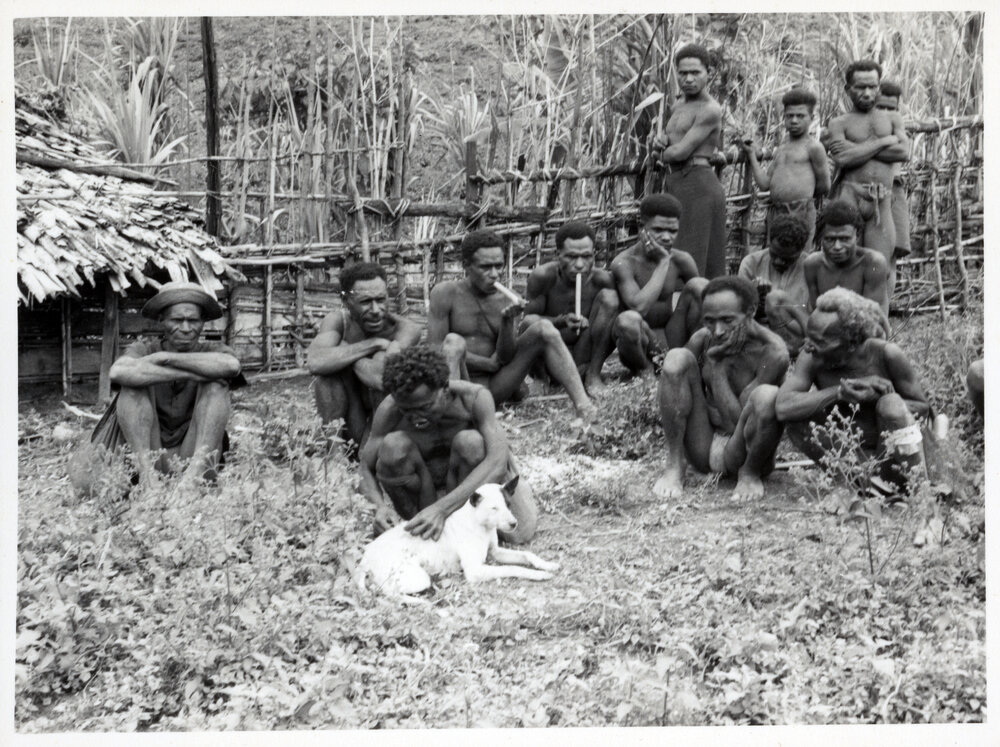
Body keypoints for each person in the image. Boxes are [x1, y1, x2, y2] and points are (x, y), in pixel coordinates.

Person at [359, 344, 538, 544]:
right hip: (425, 497)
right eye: (406, 411)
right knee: (393, 446)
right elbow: (366, 466)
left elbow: (497, 462)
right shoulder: (389, 409)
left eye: (424, 407)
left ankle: (461, 525)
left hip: (471, 490)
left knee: (470, 442)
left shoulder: (474, 398)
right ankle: (425, 527)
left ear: (444, 389)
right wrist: (379, 507)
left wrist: (441, 509)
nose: (415, 417)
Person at [775, 287, 930, 492]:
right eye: (808, 336)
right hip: (848, 455)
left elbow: (922, 408)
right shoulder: (811, 356)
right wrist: (838, 392)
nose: (808, 346)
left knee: (890, 404)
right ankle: (853, 482)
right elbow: (783, 407)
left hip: (893, 453)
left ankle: (907, 485)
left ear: (851, 343)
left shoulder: (886, 354)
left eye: (820, 341)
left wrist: (878, 400)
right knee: (797, 419)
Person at [429, 229, 596, 420]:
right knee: (453, 341)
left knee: (544, 329)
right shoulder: (445, 293)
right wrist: (486, 364)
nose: (494, 274)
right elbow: (435, 349)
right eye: (485, 267)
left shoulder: (508, 299)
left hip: (496, 386)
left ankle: (584, 406)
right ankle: (451, 412)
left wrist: (507, 321)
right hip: (460, 385)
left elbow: (506, 357)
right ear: (466, 265)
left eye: (498, 266)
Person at [653, 276, 788, 501]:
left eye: (727, 320)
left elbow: (736, 422)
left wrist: (715, 365)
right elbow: (672, 383)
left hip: (743, 451)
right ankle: (675, 464)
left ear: (751, 311)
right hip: (703, 448)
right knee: (676, 358)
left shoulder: (772, 352)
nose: (717, 331)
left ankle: (750, 475)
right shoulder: (703, 338)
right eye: (709, 321)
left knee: (767, 396)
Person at [104, 281, 245, 487]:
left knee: (216, 386)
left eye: (193, 320)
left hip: (197, 456)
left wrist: (165, 359)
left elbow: (231, 366)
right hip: (150, 452)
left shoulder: (214, 351)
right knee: (131, 389)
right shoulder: (144, 349)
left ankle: (191, 483)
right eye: (177, 320)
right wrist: (194, 371)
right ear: (162, 319)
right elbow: (118, 371)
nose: (186, 328)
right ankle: (148, 481)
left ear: (203, 321)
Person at [308, 262, 422, 447]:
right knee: (326, 380)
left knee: (379, 361)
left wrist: (344, 352)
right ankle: (334, 455)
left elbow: (380, 378)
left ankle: (373, 454)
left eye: (381, 299)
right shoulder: (339, 321)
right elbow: (315, 362)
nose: (376, 310)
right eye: (365, 302)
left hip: (390, 427)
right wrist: (373, 343)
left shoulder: (405, 329)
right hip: (354, 419)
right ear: (346, 301)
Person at [825, 60, 909, 294]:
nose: (867, 92)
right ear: (847, 89)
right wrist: (883, 141)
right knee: (844, 264)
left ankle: (880, 325)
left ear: (879, 87)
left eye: (872, 86)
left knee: (880, 266)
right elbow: (842, 159)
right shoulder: (838, 122)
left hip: (882, 198)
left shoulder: (892, 119)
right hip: (850, 195)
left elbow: (903, 152)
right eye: (860, 87)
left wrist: (856, 148)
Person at [652, 43, 728, 278]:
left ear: (708, 73)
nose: (688, 79)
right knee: (675, 249)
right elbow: (670, 141)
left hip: (699, 184)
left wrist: (659, 154)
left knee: (694, 258)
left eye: (695, 72)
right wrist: (660, 142)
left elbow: (680, 152)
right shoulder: (678, 105)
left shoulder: (710, 109)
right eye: (683, 73)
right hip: (677, 182)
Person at [610, 194, 704, 377]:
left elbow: (705, 302)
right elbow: (639, 308)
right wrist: (663, 263)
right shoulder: (624, 263)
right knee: (628, 321)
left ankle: (691, 361)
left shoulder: (682, 260)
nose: (667, 237)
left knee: (699, 286)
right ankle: (645, 371)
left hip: (671, 337)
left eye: (673, 231)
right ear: (641, 226)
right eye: (658, 230)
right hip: (640, 342)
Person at [522, 221, 620, 395]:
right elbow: (527, 323)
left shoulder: (602, 280)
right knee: (530, 321)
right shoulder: (543, 277)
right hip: (550, 355)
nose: (580, 264)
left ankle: (593, 375)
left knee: (611, 299)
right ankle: (541, 378)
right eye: (572, 257)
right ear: (557, 254)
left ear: (594, 254)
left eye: (587, 256)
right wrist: (561, 321)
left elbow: (611, 325)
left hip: (584, 355)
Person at [739, 87, 830, 250]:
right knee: (775, 254)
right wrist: (752, 155)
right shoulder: (781, 149)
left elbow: (824, 185)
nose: (794, 120)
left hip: (801, 211)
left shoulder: (813, 147)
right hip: (777, 213)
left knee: (799, 255)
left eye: (800, 116)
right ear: (784, 118)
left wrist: (801, 198)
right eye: (789, 116)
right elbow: (765, 184)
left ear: (812, 118)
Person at [738, 212, 812, 355]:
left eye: (787, 259)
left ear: (801, 251)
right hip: (759, 336)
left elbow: (812, 319)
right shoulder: (751, 263)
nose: (778, 261)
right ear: (769, 242)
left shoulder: (810, 267)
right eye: (774, 254)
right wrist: (756, 299)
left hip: (798, 338)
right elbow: (740, 314)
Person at [804, 200, 890, 316]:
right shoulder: (813, 264)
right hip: (823, 328)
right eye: (830, 239)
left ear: (857, 235)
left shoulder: (873, 263)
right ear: (821, 238)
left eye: (845, 239)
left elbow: (872, 317)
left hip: (865, 327)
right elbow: (814, 311)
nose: (837, 247)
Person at [875, 80, 913, 289]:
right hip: (867, 193)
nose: (887, 113)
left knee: (890, 257)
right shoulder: (863, 128)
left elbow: (903, 152)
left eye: (892, 109)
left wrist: (865, 151)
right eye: (880, 107)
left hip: (894, 191)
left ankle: (884, 315)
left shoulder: (898, 133)